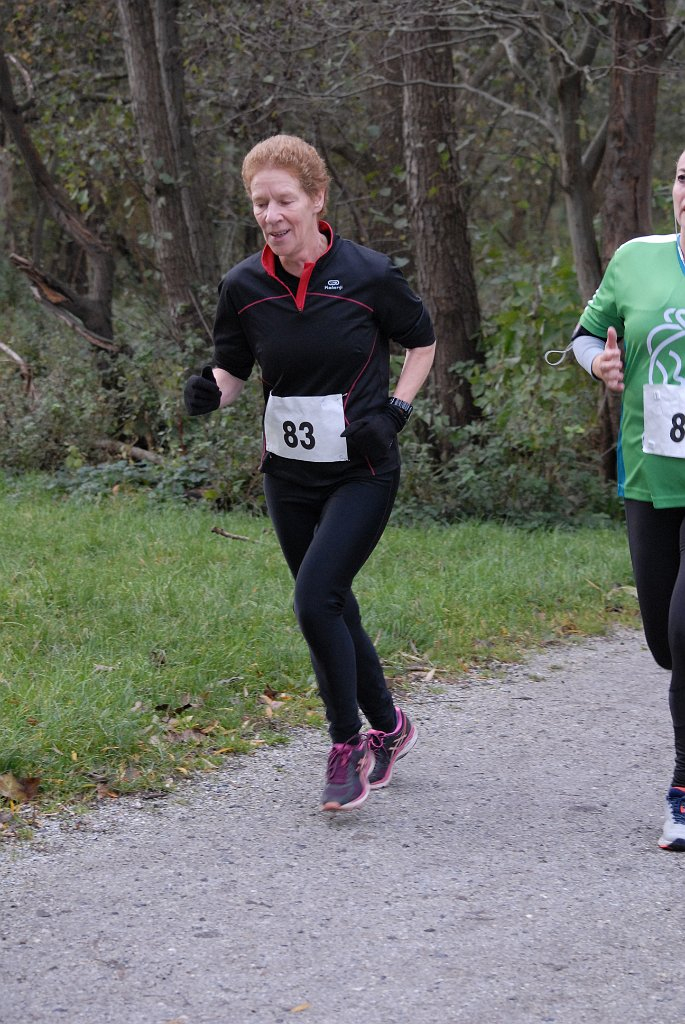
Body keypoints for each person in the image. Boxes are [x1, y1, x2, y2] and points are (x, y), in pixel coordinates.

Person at [183, 134, 436, 812]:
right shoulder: (242, 286)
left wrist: (396, 409)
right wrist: (209, 393)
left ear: (317, 199)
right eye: (259, 203)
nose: (271, 215)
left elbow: (422, 340)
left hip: (362, 469)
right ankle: (391, 726)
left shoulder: (369, 274)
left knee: (314, 598)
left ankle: (345, 743)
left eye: (284, 200)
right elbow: (232, 370)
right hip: (288, 476)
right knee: (330, 601)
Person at [572, 147, 685, 851]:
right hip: (650, 477)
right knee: (663, 642)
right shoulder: (636, 260)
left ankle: (683, 789)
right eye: (683, 178)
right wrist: (601, 364)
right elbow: (585, 335)